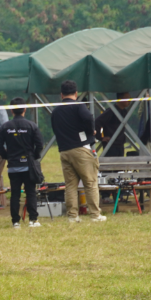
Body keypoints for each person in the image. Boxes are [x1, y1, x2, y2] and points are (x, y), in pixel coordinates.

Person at [51, 80, 105, 222]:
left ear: (61, 95)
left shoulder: (56, 111)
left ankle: (72, 216)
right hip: (81, 149)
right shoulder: (79, 106)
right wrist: (91, 131)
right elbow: (88, 117)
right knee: (90, 182)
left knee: (70, 185)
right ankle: (95, 215)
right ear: (76, 93)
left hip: (64, 151)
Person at [0, 98, 44, 228]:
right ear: (25, 109)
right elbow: (39, 144)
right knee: (31, 192)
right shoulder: (31, 125)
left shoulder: (5, 127)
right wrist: (34, 156)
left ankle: (15, 222)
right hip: (29, 165)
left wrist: (7, 156)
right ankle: (33, 220)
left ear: (11, 110)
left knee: (15, 194)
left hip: (13, 166)